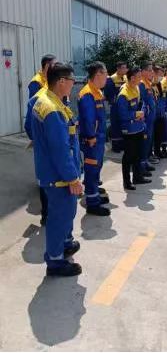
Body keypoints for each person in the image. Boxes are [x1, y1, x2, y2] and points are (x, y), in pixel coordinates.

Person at [30, 62, 83, 277]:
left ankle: (64, 244)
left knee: (65, 213)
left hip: (54, 172)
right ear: (61, 81)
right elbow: (60, 150)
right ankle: (55, 261)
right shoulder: (51, 109)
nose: (73, 84)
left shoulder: (48, 100)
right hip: (58, 175)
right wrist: (73, 178)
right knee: (60, 217)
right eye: (71, 81)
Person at [25, 54, 57, 226]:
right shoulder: (36, 84)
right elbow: (33, 114)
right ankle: (46, 214)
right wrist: (36, 138)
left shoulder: (53, 82)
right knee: (45, 175)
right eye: (53, 65)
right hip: (43, 138)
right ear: (45, 67)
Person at [77, 62, 110, 217]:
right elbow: (88, 119)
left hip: (98, 138)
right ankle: (92, 204)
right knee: (91, 171)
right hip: (92, 140)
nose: (107, 77)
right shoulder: (87, 94)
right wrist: (91, 137)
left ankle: (94, 195)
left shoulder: (97, 92)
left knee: (96, 169)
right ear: (98, 74)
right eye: (106, 74)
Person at [117, 67, 150, 190]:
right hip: (129, 130)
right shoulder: (123, 93)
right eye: (139, 77)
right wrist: (136, 114)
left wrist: (142, 111)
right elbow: (122, 114)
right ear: (132, 78)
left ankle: (137, 177)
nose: (141, 79)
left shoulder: (136, 88)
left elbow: (141, 103)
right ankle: (127, 182)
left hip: (139, 127)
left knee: (138, 154)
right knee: (128, 156)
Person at [103, 61, 128, 153]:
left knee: (123, 125)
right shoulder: (111, 79)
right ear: (118, 68)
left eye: (125, 68)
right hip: (115, 106)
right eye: (123, 68)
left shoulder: (126, 78)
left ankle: (123, 145)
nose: (125, 70)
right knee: (115, 126)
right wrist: (113, 102)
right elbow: (108, 94)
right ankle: (116, 146)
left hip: (125, 106)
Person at [139, 62, 157, 175]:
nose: (152, 72)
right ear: (143, 72)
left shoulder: (148, 83)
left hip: (150, 118)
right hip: (145, 119)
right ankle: (141, 164)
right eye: (150, 70)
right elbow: (141, 102)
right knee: (144, 141)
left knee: (148, 140)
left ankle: (145, 161)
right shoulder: (141, 84)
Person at [152, 66, 167, 159]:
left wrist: (164, 111)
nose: (161, 77)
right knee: (153, 135)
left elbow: (163, 100)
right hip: (154, 114)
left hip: (161, 113)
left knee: (159, 134)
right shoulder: (150, 85)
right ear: (154, 74)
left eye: (162, 75)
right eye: (160, 75)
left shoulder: (161, 85)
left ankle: (158, 151)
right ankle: (153, 153)